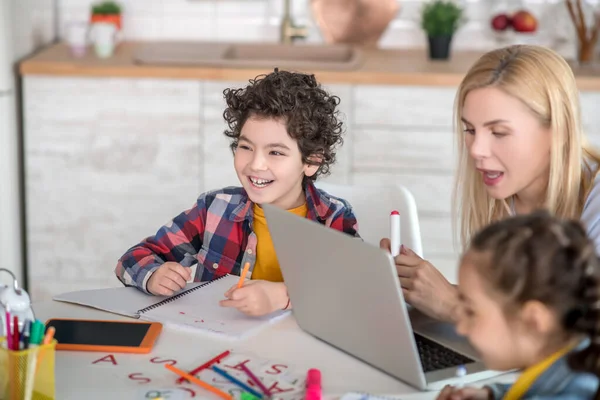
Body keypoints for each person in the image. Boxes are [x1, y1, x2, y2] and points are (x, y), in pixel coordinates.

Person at [381, 44, 600, 322]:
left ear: (557, 132)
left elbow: (585, 337)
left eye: (499, 132)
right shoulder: (506, 196)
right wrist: (426, 289)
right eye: (470, 130)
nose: (476, 150)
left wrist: (456, 307)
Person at [114, 69, 359, 317]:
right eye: (246, 147)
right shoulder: (214, 208)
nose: (255, 164)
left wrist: (281, 295)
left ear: (312, 161)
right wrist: (153, 275)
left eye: (275, 152)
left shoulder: (332, 218)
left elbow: (353, 291)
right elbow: (131, 259)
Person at [437, 211, 599, 399]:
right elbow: (533, 388)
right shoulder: (574, 359)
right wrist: (491, 394)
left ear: (533, 320)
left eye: (471, 312)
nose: (461, 328)